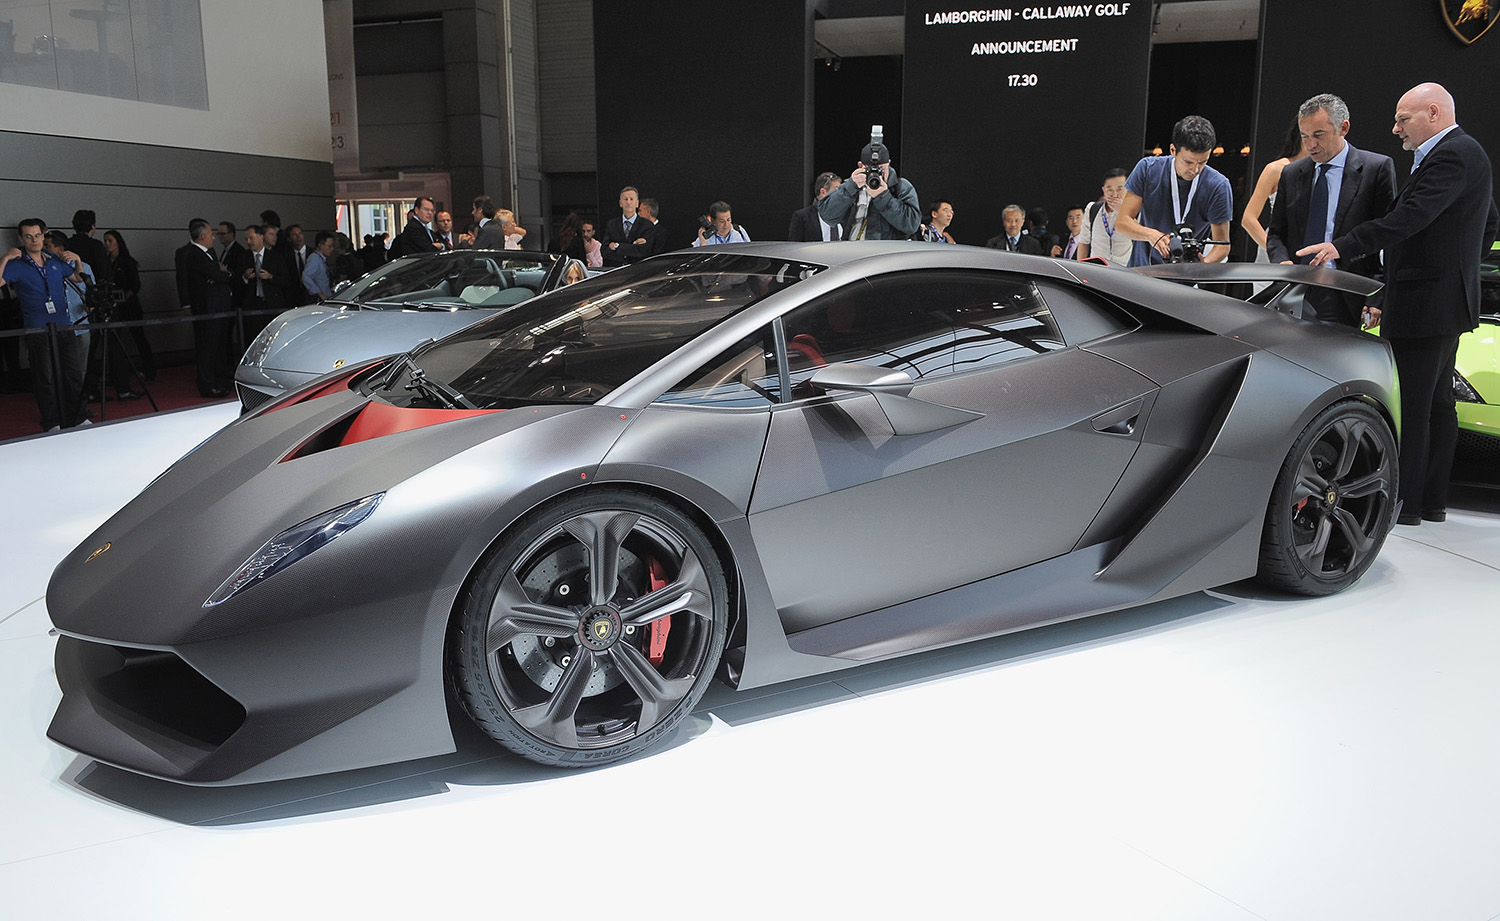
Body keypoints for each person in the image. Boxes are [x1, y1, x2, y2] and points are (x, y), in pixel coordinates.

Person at [1300, 83, 1499, 526]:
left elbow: (1411, 218)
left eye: (1403, 119)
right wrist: (1460, 266)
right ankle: (1429, 503)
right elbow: (1489, 222)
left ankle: (1401, 505)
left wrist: (1342, 245)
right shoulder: (1466, 153)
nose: (1395, 129)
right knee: (1436, 406)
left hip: (1425, 302)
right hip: (1441, 300)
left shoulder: (1451, 154)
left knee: (1412, 406)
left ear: (1433, 113)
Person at [1266, 93, 1397, 327]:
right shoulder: (1292, 173)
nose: (1310, 145)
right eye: (1304, 136)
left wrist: (1377, 297)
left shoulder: (1375, 169)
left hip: (1347, 290)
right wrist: (1282, 263)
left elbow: (1386, 238)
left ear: (1343, 128)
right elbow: (1276, 233)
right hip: (1296, 289)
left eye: (1318, 135)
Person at [1, 218, 91, 430]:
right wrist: (4, 257)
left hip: (63, 325)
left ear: (44, 235)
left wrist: (77, 259)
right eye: (29, 237)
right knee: (45, 377)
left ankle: (79, 417)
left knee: (73, 374)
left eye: (38, 235)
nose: (34, 240)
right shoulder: (16, 264)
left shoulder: (53, 259)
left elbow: (78, 278)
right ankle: (52, 421)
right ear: (21, 239)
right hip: (37, 327)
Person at [1116, 115, 1234, 265]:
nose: (1195, 169)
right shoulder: (1148, 169)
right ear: (1173, 150)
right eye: (1188, 162)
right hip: (1142, 272)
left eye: (1203, 162)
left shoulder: (1218, 185)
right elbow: (1122, 222)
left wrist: (1202, 266)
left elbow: (1222, 244)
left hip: (1186, 280)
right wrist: (1152, 235)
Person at [176, 218, 234, 397]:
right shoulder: (193, 254)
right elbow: (214, 274)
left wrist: (219, 274)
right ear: (202, 236)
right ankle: (207, 384)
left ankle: (218, 379)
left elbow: (216, 275)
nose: (214, 238)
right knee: (207, 347)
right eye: (210, 234)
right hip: (207, 308)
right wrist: (220, 274)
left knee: (217, 346)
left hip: (217, 306)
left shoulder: (209, 252)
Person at [1241, 117, 1307, 261]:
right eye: (1307, 135)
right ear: (1298, 135)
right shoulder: (1276, 169)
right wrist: (1275, 251)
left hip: (1306, 251)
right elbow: (1248, 218)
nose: (1313, 142)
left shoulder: (1323, 171)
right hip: (1276, 248)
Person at [818, 158, 921, 241]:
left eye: (881, 168)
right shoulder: (851, 187)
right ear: (860, 165)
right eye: (870, 169)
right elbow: (827, 216)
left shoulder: (900, 187)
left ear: (888, 163)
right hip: (852, 255)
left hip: (889, 258)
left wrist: (884, 197)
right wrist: (849, 188)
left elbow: (912, 224)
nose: (876, 173)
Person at [103, 229, 154, 381]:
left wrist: (123, 298)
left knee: (139, 337)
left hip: (130, 306)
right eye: (105, 240)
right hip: (112, 307)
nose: (107, 244)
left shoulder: (127, 261)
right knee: (114, 341)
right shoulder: (105, 261)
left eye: (110, 240)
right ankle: (116, 374)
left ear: (118, 242)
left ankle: (150, 370)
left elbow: (135, 285)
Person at [1077, 168, 1132, 266]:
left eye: (1120, 189)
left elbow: (1141, 239)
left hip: (1126, 271)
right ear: (1103, 190)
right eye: (1109, 189)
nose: (1115, 194)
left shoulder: (1135, 212)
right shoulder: (1092, 209)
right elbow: (1083, 241)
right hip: (1098, 271)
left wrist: (1122, 212)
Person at [787, 172, 844, 242]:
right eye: (837, 190)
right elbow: (793, 246)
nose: (841, 194)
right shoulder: (802, 217)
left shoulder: (843, 215)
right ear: (823, 192)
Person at [601, 186, 645, 265]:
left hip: (638, 271)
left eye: (631, 199)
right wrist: (632, 247)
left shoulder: (646, 225)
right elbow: (605, 251)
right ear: (620, 203)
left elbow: (643, 251)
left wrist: (616, 246)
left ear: (637, 203)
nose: (628, 202)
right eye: (625, 199)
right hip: (616, 270)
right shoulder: (611, 224)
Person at [68, 209, 110, 285]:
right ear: (92, 226)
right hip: (91, 287)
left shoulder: (67, 243)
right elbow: (103, 271)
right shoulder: (96, 245)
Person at [301, 231, 337, 302]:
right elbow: (305, 277)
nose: (332, 249)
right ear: (320, 245)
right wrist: (319, 293)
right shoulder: (315, 259)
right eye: (329, 246)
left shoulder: (320, 259)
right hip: (319, 299)